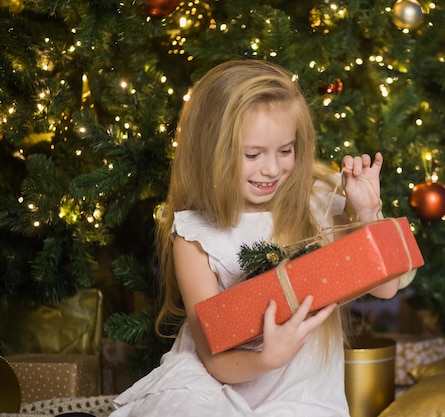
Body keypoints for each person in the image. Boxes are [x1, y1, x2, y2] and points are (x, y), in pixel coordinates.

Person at [111, 59, 400, 416]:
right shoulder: (194, 235)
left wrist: (369, 213)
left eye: (285, 150)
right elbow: (214, 360)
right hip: (214, 387)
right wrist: (268, 358)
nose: (272, 169)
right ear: (212, 151)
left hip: (301, 396)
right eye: (252, 154)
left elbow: (385, 289)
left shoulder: (318, 203)